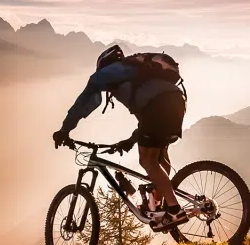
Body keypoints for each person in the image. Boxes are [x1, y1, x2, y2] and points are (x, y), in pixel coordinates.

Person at [52, 45, 189, 232]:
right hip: (177, 102)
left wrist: (64, 130)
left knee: (147, 160)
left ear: (103, 64)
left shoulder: (108, 73)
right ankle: (158, 209)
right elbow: (146, 118)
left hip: (158, 107)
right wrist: (131, 140)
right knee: (159, 158)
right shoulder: (137, 75)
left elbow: (83, 101)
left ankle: (174, 210)